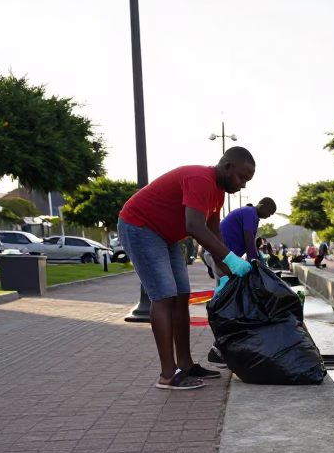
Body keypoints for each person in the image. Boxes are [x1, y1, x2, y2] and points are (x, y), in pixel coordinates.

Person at [117, 146, 257, 390]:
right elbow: (194, 227)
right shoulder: (200, 180)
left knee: (182, 296)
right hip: (140, 227)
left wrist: (230, 273)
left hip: (167, 236)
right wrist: (234, 260)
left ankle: (186, 364)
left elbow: (215, 237)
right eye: (242, 177)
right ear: (227, 167)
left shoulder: (218, 194)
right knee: (164, 297)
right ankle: (168, 375)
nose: (243, 185)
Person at [219, 198, 276, 266]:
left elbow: (251, 242)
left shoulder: (252, 214)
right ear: (261, 206)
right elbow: (249, 239)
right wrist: (254, 261)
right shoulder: (250, 212)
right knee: (233, 276)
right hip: (221, 254)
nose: (269, 216)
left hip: (223, 254)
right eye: (269, 212)